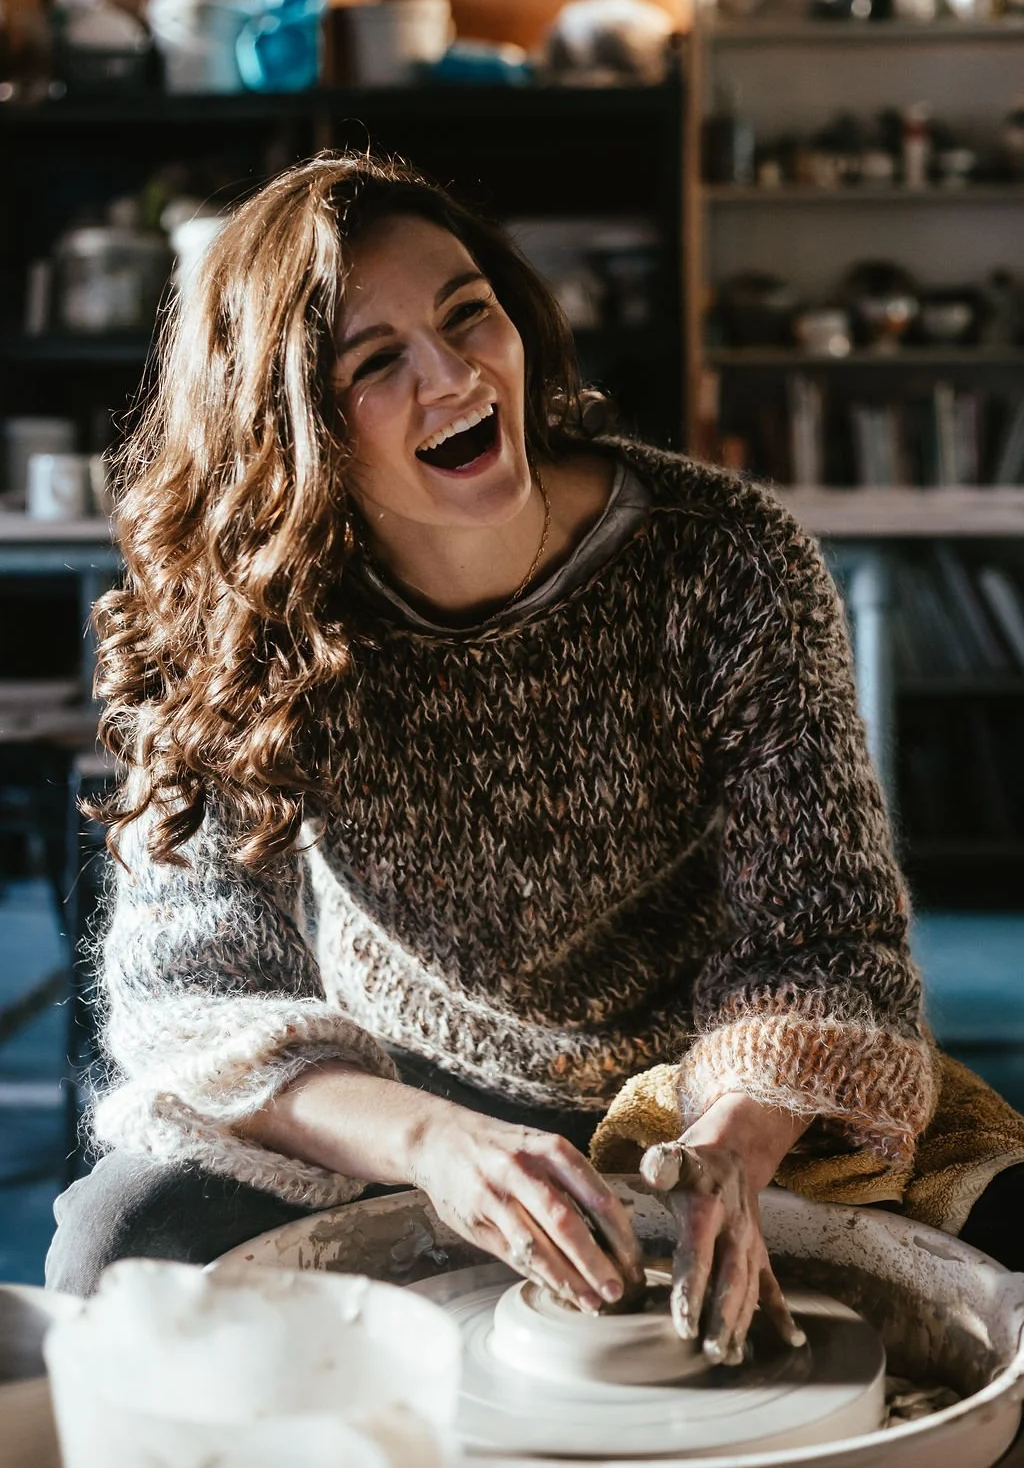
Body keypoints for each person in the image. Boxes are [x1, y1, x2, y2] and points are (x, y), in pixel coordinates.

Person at [46, 154, 1024, 1356]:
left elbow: (824, 940)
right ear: (290, 429)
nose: (455, 377)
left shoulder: (725, 562)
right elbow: (191, 995)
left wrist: (728, 1145)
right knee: (121, 1243)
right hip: (405, 1091)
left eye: (470, 315)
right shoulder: (235, 611)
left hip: (697, 1093)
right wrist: (427, 1141)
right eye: (376, 363)